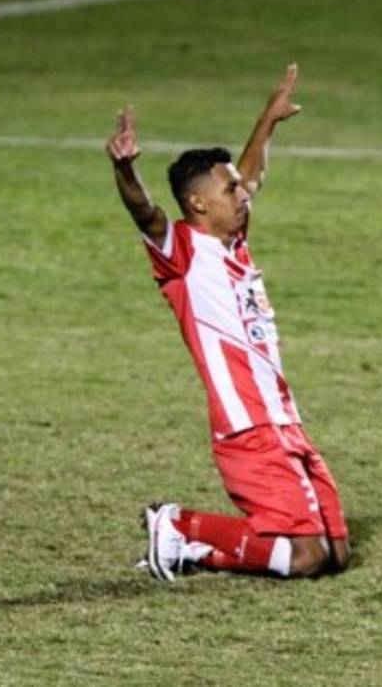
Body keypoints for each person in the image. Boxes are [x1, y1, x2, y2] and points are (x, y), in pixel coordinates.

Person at [106, 64, 351, 580]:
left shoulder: (234, 241)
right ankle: (177, 523)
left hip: (284, 418)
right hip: (247, 425)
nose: (244, 195)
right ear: (198, 203)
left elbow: (252, 171)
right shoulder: (182, 252)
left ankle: (186, 550)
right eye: (231, 191)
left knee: (336, 555)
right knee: (306, 558)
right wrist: (126, 171)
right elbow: (145, 213)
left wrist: (269, 119)